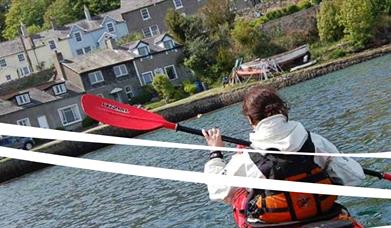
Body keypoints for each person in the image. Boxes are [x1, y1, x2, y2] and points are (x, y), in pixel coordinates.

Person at [202, 86, 365, 227]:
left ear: (250, 119)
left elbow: (217, 191)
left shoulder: (246, 158)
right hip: (324, 217)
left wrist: (215, 154)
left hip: (276, 223)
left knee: (239, 196)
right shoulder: (314, 142)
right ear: (283, 110)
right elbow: (354, 177)